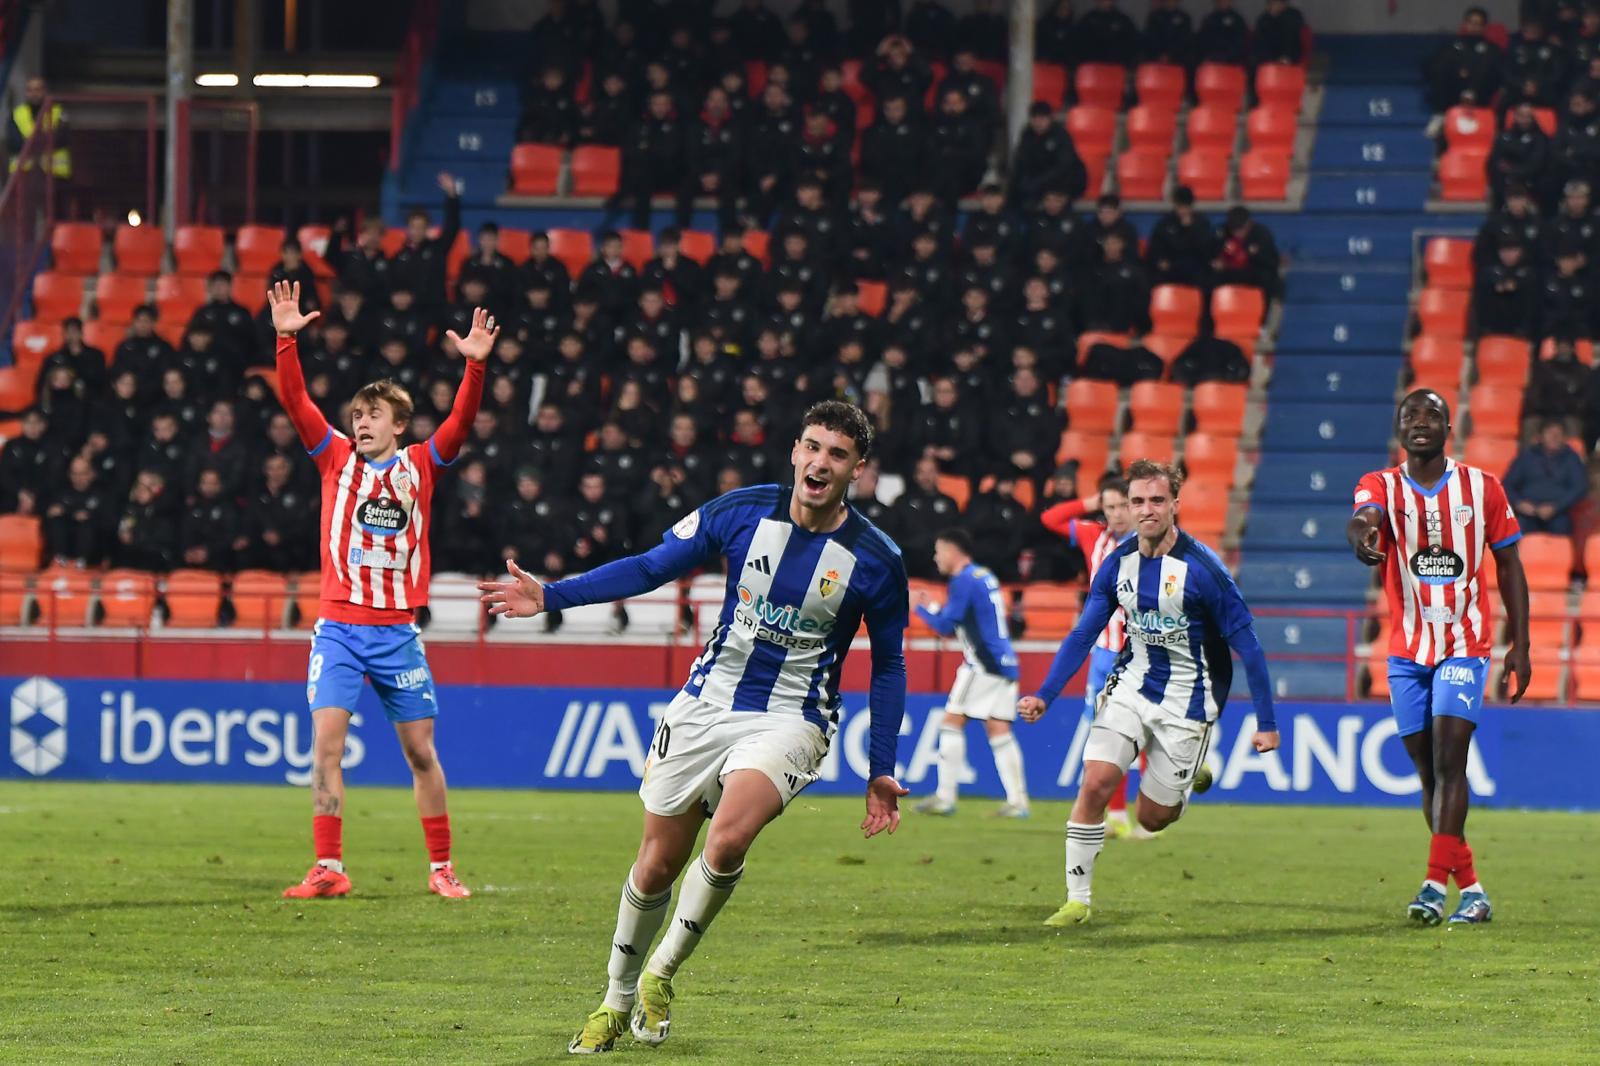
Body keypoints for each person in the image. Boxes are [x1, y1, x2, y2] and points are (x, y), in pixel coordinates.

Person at [478, 401, 909, 1054]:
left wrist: (881, 766)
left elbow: (889, 665)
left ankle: (661, 969)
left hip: (794, 718)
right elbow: (651, 567)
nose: (821, 462)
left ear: (857, 469)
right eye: (813, 447)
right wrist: (553, 596)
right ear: (795, 450)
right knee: (656, 865)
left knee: (731, 835)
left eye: (837, 454)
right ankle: (615, 999)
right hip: (704, 706)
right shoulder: (740, 512)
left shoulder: (876, 560)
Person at [268, 280, 494, 902]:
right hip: (339, 628)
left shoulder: (421, 464)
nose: (360, 423)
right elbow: (295, 401)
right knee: (326, 747)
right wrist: (287, 339)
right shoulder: (332, 458)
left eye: (372, 415)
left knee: (422, 753)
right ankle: (328, 867)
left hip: (396, 632)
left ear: (398, 423)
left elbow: (461, 421)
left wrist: (474, 366)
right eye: (356, 416)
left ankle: (441, 868)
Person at [1018, 460, 1280, 927]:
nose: (1146, 509)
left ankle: (1185, 777)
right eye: (1137, 501)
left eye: (1157, 500)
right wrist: (1045, 694)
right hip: (1132, 684)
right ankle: (1077, 899)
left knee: (1152, 818)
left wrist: (1266, 723)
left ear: (1175, 505)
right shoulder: (1118, 562)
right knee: (1096, 780)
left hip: (1189, 699)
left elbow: (1250, 648)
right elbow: (1083, 634)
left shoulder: (1204, 570)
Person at [1346, 389, 1530, 926]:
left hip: (1463, 644)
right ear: (1399, 428)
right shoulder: (1380, 484)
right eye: (1410, 415)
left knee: (1452, 761)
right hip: (1406, 650)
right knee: (1428, 772)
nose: (1420, 422)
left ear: (1449, 427)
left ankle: (1431, 887)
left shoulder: (1484, 488)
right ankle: (1471, 889)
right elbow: (1364, 516)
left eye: (1431, 415)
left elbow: (1511, 566)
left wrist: (1522, 644)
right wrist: (1361, 537)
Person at [1037, 474, 1147, 839]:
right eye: (1109, 507)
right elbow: (1048, 520)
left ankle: (1152, 811)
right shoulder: (1091, 535)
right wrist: (1089, 501)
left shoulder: (1148, 544)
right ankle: (1116, 814)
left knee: (1145, 733)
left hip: (1141, 653)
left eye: (1122, 506)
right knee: (1105, 735)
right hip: (1103, 653)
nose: (1116, 514)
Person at [912, 528, 1029, 818]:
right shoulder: (981, 576)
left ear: (953, 552)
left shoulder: (963, 580)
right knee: (999, 729)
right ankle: (1018, 801)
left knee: (951, 722)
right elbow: (960, 618)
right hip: (1005, 661)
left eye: (939, 551)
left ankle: (945, 797)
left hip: (983, 664)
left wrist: (920, 610)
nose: (936, 557)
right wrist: (935, 607)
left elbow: (944, 627)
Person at [1503, 418, 1589, 535]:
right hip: (1527, 512)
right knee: (1516, 528)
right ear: (1540, 436)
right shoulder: (1527, 456)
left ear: (1564, 438)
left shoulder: (1571, 458)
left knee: (1562, 528)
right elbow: (1507, 484)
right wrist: (1519, 503)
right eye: (1550, 433)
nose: (1554, 437)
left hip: (1558, 512)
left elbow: (1579, 487)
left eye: (1558, 434)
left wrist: (1556, 507)